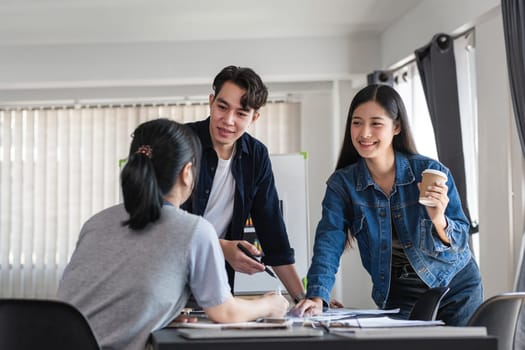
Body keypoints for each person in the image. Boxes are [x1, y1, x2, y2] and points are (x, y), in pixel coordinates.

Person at [57, 118, 288, 350]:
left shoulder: (95, 223)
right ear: (187, 173)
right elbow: (225, 312)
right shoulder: (194, 230)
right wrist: (270, 304)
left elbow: (103, 300)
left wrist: (160, 313)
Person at [292, 84, 483, 326]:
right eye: (357, 122)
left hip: (454, 287)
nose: (364, 133)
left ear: (396, 126)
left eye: (376, 123)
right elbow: (328, 241)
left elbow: (460, 239)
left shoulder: (429, 172)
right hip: (399, 296)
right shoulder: (342, 185)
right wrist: (318, 295)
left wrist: (438, 219)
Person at [182, 65, 306, 303]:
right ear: (211, 101)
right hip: (168, 280)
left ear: (254, 117)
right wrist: (221, 248)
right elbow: (163, 227)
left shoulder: (256, 156)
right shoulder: (181, 143)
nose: (228, 120)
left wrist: (303, 298)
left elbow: (274, 235)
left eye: (241, 113)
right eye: (222, 107)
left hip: (214, 288)